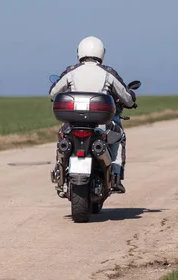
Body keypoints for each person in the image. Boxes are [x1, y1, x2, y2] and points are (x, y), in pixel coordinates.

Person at [49, 36, 136, 193]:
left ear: (80, 52)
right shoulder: (108, 73)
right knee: (119, 136)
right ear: (101, 52)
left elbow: (53, 92)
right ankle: (115, 175)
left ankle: (59, 171)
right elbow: (127, 98)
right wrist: (131, 99)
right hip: (101, 126)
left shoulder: (71, 71)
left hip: (72, 124)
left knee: (62, 136)